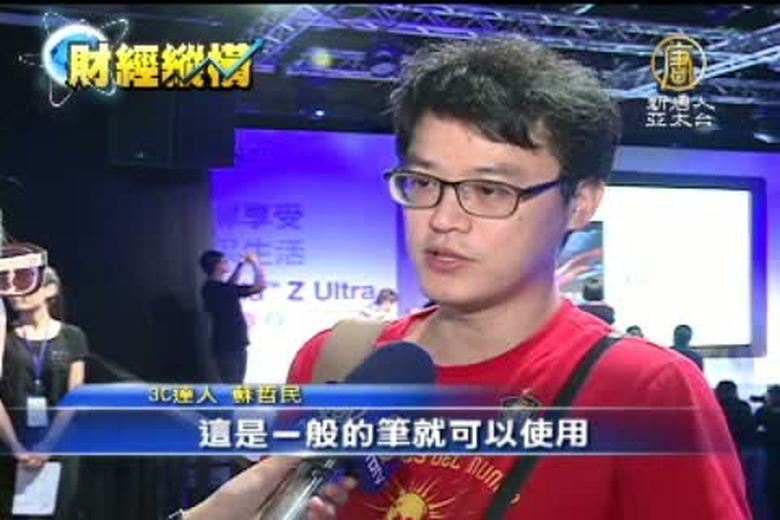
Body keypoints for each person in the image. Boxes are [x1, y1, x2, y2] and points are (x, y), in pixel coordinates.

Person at [184, 38, 749, 519]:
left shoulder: (645, 393)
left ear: (580, 202)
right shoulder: (333, 361)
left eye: (489, 190)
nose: (443, 219)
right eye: (424, 182)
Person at [0, 266, 89, 519]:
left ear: (50, 289)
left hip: (60, 446)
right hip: (12, 447)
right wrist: (16, 447)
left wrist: (48, 445)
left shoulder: (72, 336)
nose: (16, 292)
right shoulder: (4, 339)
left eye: (24, 283)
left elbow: (75, 395)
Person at [199, 250, 266, 383]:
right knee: (233, 384)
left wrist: (241, 264)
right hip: (230, 345)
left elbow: (230, 285)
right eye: (224, 261)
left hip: (230, 344)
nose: (227, 263)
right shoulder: (220, 289)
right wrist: (255, 263)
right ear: (217, 266)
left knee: (234, 383)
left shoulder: (211, 287)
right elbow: (260, 286)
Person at [757, 385, 780, 520]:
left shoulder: (763, 412)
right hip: (771, 453)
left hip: (770, 453)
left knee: (770, 487)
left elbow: (754, 428)